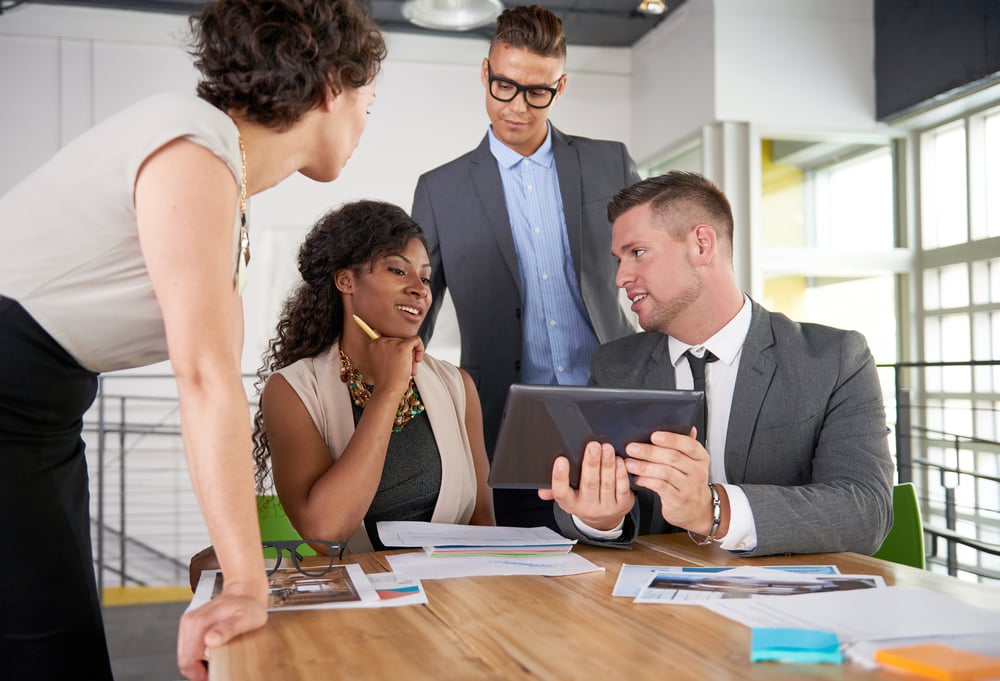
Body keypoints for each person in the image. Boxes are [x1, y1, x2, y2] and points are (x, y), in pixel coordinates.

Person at [0, 2, 385, 679]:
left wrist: (242, 565)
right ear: (331, 85)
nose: (363, 127)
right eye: (367, 105)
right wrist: (244, 582)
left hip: (39, 414)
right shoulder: (191, 146)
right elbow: (205, 378)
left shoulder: (218, 176)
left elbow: (218, 376)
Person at [542, 171, 895, 556]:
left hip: (789, 598)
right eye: (619, 259)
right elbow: (581, 499)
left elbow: (865, 510)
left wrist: (714, 510)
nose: (621, 277)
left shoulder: (835, 359)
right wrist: (599, 518)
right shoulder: (614, 365)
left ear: (702, 245)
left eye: (637, 252)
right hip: (652, 604)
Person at [411, 5, 639, 529]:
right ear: (485, 73)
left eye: (538, 92)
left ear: (561, 87)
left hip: (608, 410)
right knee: (513, 579)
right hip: (502, 419)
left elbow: (648, 265)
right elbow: (416, 312)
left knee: (612, 567)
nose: (517, 106)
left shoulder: (610, 163)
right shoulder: (440, 190)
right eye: (504, 87)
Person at [251, 200, 494, 552]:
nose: (420, 288)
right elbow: (326, 532)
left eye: (425, 277)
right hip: (362, 599)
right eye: (398, 271)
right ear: (346, 280)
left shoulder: (457, 386)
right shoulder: (292, 391)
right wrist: (389, 388)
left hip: (452, 596)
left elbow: (483, 525)